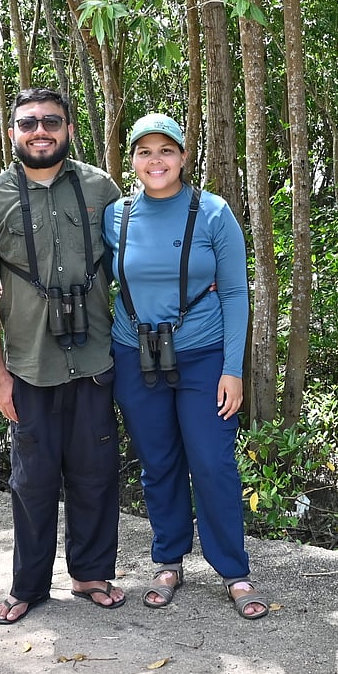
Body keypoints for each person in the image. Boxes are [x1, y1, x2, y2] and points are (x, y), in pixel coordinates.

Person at [0, 87, 127, 624]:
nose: (40, 131)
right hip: (29, 366)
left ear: (68, 129)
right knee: (32, 482)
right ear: (11, 132)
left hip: (95, 359)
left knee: (96, 474)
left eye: (51, 122)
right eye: (28, 122)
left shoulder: (101, 188)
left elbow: (131, 263)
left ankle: (90, 574)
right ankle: (29, 586)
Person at [103, 113, 268, 620]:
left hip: (202, 356)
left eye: (166, 150)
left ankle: (233, 570)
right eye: (144, 151)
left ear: (183, 156)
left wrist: (233, 369)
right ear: (132, 160)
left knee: (213, 462)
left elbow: (236, 292)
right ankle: (168, 561)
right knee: (158, 462)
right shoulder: (115, 216)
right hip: (135, 353)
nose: (156, 161)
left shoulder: (214, 212)